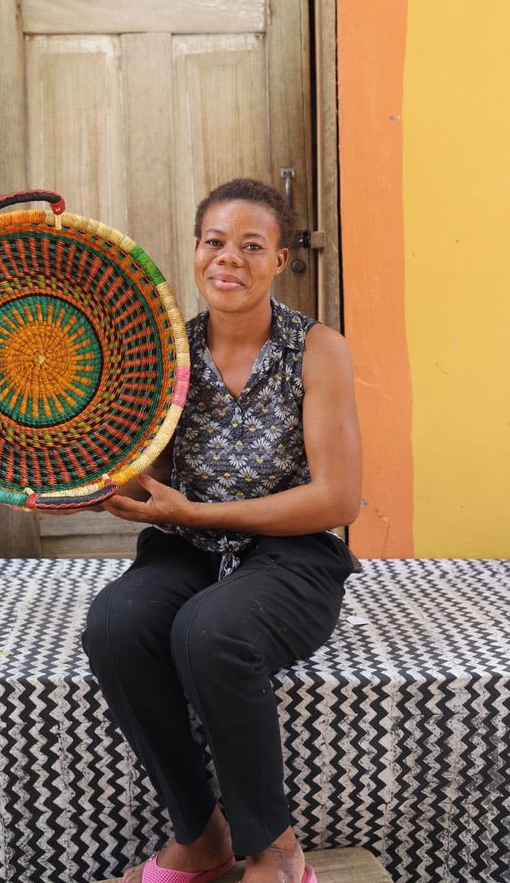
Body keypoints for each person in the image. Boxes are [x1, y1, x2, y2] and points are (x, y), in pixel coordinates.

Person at [81, 178, 362, 883]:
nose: (226, 259)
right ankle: (201, 837)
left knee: (210, 632)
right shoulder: (167, 354)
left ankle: (276, 849)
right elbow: (147, 470)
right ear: (196, 248)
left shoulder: (318, 350)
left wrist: (196, 514)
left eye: (250, 246)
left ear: (281, 260)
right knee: (115, 624)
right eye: (214, 242)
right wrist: (81, 482)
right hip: (188, 547)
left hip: (291, 556)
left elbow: (336, 499)